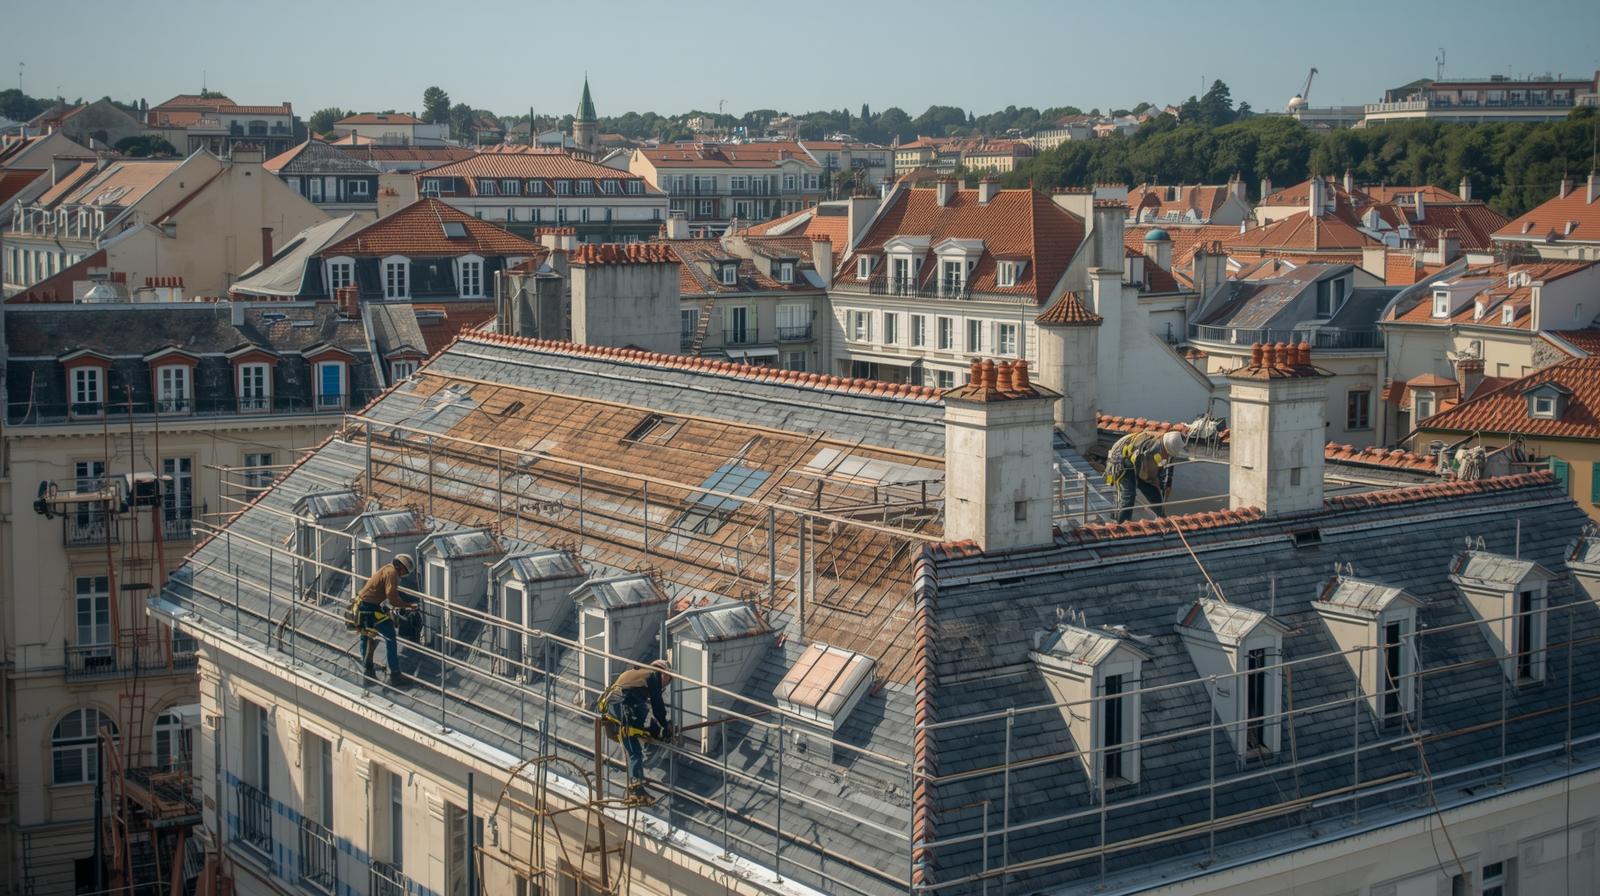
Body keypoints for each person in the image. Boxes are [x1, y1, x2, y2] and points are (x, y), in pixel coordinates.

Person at [602, 659, 674, 801]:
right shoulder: (653, 675)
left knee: (642, 716)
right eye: (668, 680)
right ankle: (636, 788)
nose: (666, 684)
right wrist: (665, 725)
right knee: (635, 750)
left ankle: (653, 733)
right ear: (664, 674)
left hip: (612, 706)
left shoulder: (636, 673)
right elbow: (657, 703)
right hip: (625, 705)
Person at [356, 554, 418, 686]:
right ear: (401, 568)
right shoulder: (393, 574)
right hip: (370, 609)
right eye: (405, 573)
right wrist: (409, 605)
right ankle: (395, 674)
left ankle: (366, 662)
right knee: (390, 635)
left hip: (361, 605)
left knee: (366, 634)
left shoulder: (386, 568)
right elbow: (393, 599)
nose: (403, 576)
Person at [1106, 430, 1185, 522]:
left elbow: (1167, 466)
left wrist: (1167, 484)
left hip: (1139, 465)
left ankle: (1161, 517)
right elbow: (1142, 471)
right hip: (1122, 462)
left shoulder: (1168, 449)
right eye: (1167, 455)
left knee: (1153, 492)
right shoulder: (1148, 449)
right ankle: (1121, 525)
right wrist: (1153, 479)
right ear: (1164, 448)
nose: (1167, 457)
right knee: (1128, 495)